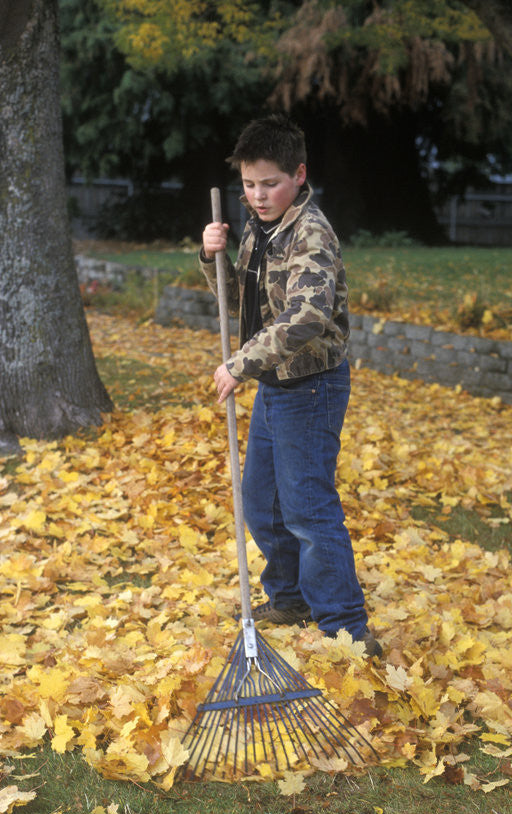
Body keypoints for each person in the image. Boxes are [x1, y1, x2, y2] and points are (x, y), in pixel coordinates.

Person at [200, 114, 382, 658]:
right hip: (277, 385)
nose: (258, 196)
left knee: (306, 507)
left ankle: (347, 627)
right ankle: (290, 598)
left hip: (312, 386)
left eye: (270, 183)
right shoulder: (261, 228)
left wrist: (240, 365)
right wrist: (212, 258)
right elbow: (237, 301)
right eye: (249, 185)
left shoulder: (311, 234)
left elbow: (306, 317)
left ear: (299, 175)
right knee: (261, 502)